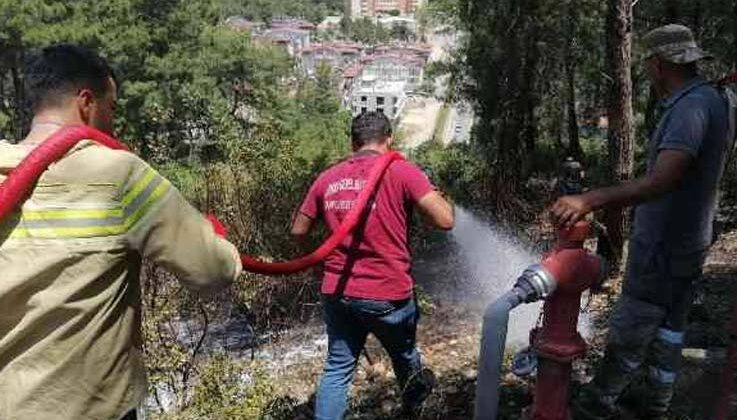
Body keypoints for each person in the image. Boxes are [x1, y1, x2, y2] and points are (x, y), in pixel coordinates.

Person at [0, 44, 242, 420]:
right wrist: (219, 243)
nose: (114, 122)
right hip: (90, 409)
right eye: (111, 108)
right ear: (86, 102)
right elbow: (213, 270)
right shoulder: (118, 175)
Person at [549, 25, 734, 419]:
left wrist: (591, 198)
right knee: (670, 327)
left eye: (648, 65)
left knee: (633, 325)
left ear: (658, 64)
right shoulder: (714, 99)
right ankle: (657, 401)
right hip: (690, 240)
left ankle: (598, 402)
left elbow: (665, 178)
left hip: (664, 244)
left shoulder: (690, 109)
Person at [291, 111, 454, 419]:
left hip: (338, 292)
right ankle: (415, 409)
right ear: (389, 139)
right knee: (405, 357)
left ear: (353, 143)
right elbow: (446, 220)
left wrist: (318, 262)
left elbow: (298, 231)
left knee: (338, 368)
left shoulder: (328, 177)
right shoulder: (403, 172)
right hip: (387, 292)